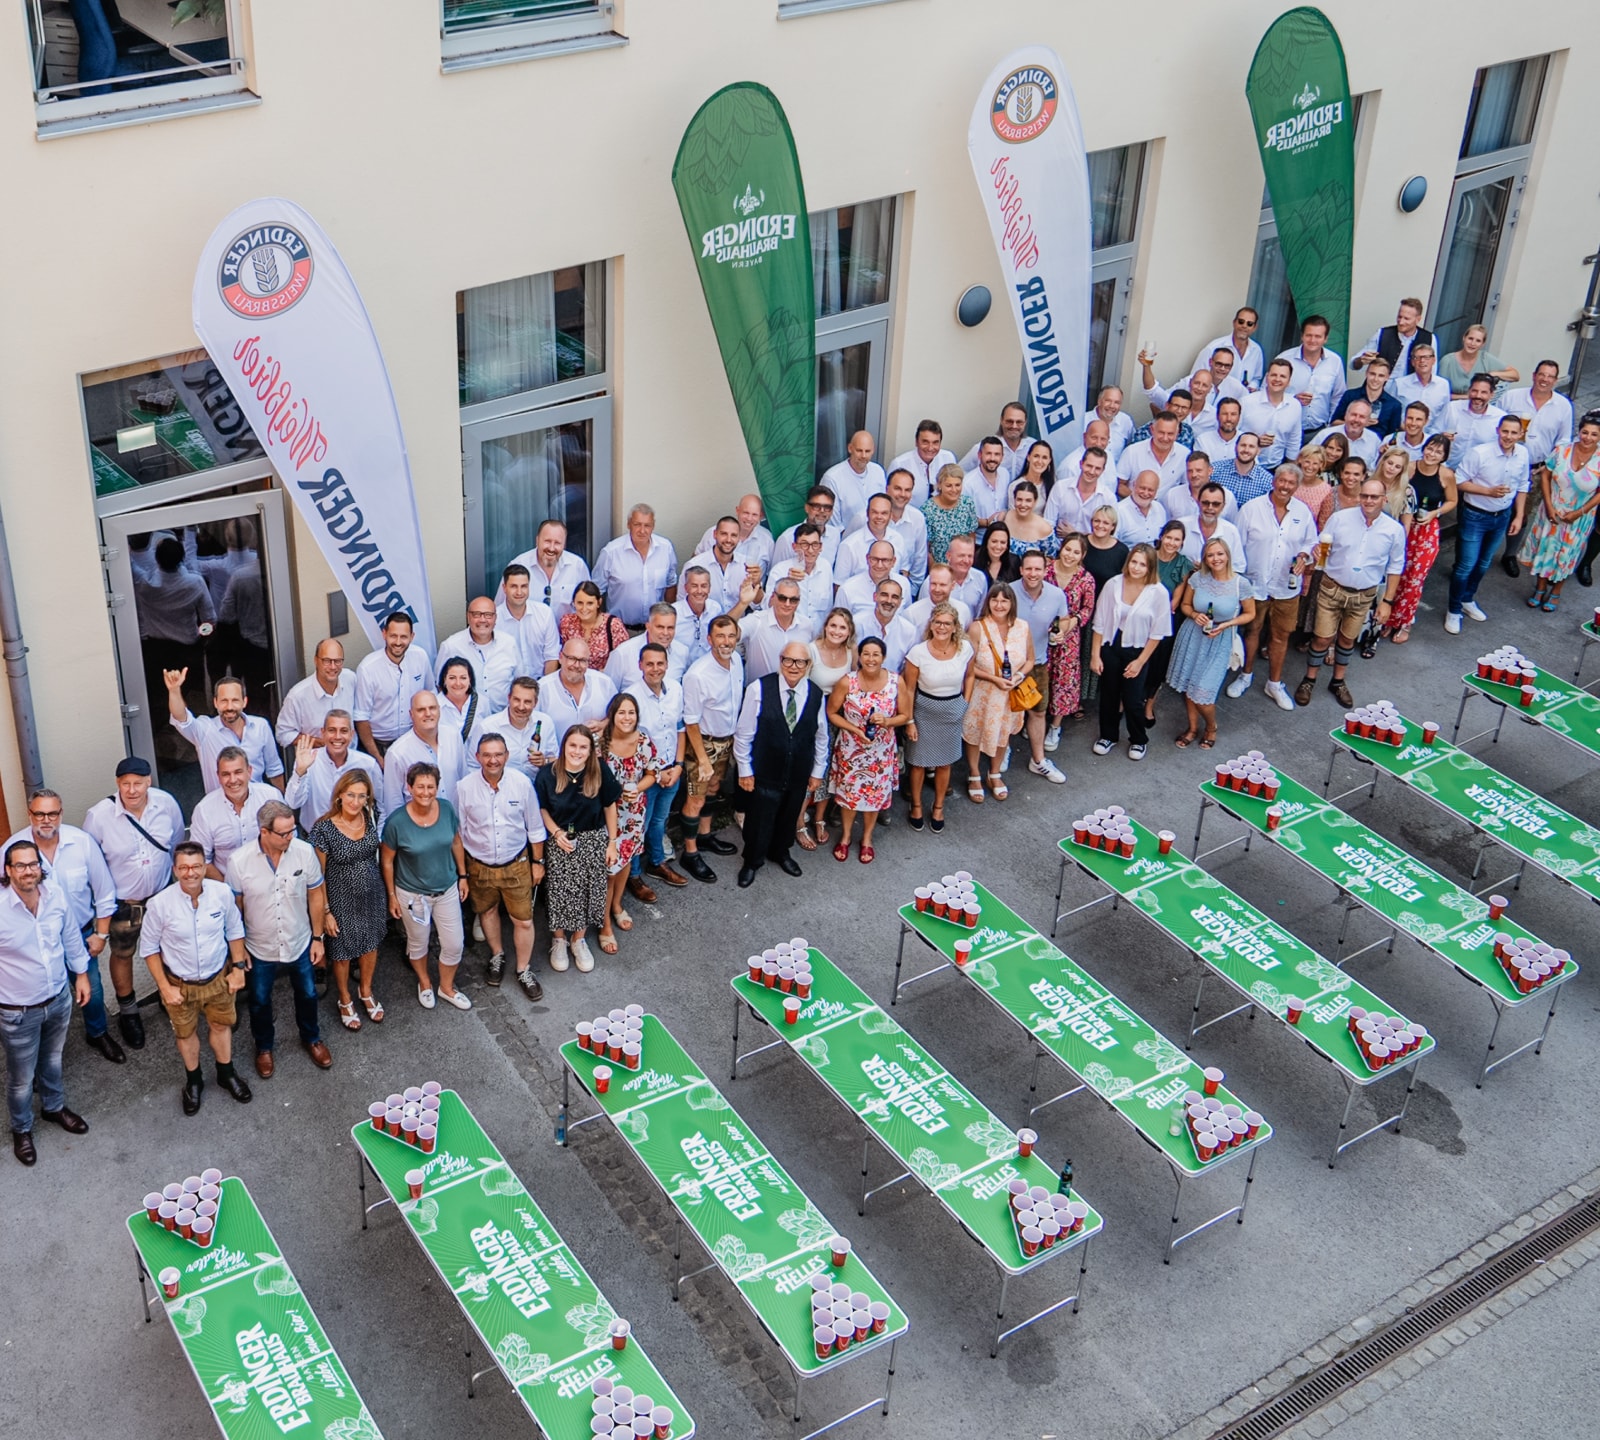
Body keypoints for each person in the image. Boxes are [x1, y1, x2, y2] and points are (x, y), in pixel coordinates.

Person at [6, 791, 119, 1065]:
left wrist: (101, 935)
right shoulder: (12, 849)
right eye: (39, 814)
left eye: (52, 813)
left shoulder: (82, 843)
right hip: (34, 939)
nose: (46, 820)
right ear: (29, 814)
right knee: (39, 1001)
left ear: (61, 813)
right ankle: (40, 1055)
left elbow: (104, 891)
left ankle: (98, 1032)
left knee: (92, 989)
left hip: (80, 934)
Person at [139, 841, 250, 1115]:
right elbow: (149, 949)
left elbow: (234, 930)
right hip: (180, 986)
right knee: (186, 1034)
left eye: (197, 866)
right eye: (184, 867)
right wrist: (164, 989)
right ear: (175, 870)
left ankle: (226, 1073)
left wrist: (237, 968)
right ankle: (194, 1081)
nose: (191, 873)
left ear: (204, 867)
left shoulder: (221, 893)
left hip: (218, 979)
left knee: (221, 1025)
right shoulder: (159, 904)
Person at [82, 756, 185, 1050]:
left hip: (161, 897)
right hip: (123, 904)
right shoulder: (99, 816)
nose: (132, 790)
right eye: (125, 784)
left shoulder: (166, 804)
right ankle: (129, 1011)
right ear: (117, 785)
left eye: (137, 783)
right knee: (123, 954)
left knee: (168, 948)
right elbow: (91, 863)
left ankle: (170, 998)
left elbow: (176, 842)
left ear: (148, 782)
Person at [224, 800, 331, 1078]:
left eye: (292, 831)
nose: (289, 838)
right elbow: (234, 910)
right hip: (259, 946)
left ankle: (311, 1038)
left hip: (299, 939)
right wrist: (239, 950)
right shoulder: (239, 861)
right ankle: (264, 1048)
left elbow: (316, 894)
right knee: (259, 1000)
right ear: (264, 832)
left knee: (307, 993)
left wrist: (318, 938)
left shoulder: (304, 852)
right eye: (283, 833)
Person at [0, 839, 91, 1165]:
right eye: (20, 865)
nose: (28, 871)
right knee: (22, 1077)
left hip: (58, 999)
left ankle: (54, 1108)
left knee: (52, 1061)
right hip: (17, 1011)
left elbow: (70, 938)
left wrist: (81, 975)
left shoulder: (54, 896)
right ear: (8, 870)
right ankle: (22, 1129)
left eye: (32, 863)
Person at [1295, 477, 1407, 707]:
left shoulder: (1394, 530)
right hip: (1332, 587)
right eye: (1364, 496)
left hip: (1364, 594)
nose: (1368, 500)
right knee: (1322, 637)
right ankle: (1309, 679)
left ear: (1384, 500)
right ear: (1359, 497)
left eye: (1374, 497)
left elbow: (1395, 567)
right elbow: (1321, 545)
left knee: (1347, 639)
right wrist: (1316, 552)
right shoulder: (1340, 519)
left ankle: (1338, 681)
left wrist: (1387, 602)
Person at [732, 642, 828, 886]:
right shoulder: (759, 689)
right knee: (759, 818)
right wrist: (745, 770)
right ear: (780, 660)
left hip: (798, 770)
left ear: (808, 665)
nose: (793, 666)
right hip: (765, 769)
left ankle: (780, 852)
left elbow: (821, 736)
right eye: (788, 660)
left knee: (788, 815)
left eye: (800, 662)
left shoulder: (815, 694)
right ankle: (752, 861)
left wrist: (818, 772)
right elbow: (743, 735)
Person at [456, 732, 545, 996]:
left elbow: (535, 827)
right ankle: (497, 955)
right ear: (477, 757)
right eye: (487, 755)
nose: (492, 760)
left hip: (516, 863)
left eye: (498, 754)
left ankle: (523, 969)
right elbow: (458, 834)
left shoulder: (522, 783)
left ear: (506, 756)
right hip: (479, 866)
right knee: (487, 912)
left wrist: (538, 861)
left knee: (524, 921)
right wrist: (463, 874)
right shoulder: (464, 787)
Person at [381, 762, 470, 1007]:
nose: (425, 792)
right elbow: (387, 860)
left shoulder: (447, 809)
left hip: (447, 888)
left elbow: (455, 842)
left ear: (437, 787)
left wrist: (463, 876)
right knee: (418, 942)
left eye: (431, 786)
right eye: (420, 786)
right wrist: (391, 895)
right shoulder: (396, 822)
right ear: (409, 788)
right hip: (412, 894)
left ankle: (447, 987)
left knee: (454, 943)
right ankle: (425, 982)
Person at [1229, 466, 1318, 707]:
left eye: (1291, 482)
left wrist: (1303, 556)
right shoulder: (1251, 509)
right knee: (1252, 631)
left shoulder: (1303, 512)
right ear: (1274, 481)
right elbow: (1237, 547)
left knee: (1281, 636)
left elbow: (1311, 542)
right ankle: (1245, 675)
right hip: (1254, 584)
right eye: (1282, 480)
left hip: (1286, 587)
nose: (1285, 486)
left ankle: (1274, 684)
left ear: (1296, 486)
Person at [535, 728, 621, 974]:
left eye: (583, 747)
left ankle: (578, 939)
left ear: (590, 750)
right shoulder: (547, 774)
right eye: (572, 745)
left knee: (589, 889)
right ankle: (559, 939)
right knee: (560, 892)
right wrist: (556, 833)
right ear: (564, 746)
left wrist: (612, 842)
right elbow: (541, 809)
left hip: (592, 837)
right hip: (560, 838)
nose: (577, 752)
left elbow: (609, 806)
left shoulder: (599, 770)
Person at [309, 771, 389, 1029]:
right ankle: (344, 998)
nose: (355, 801)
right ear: (340, 795)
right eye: (351, 795)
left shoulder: (370, 816)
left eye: (361, 796)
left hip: (372, 896)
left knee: (370, 946)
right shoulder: (323, 829)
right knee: (342, 953)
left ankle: (365, 991)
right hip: (339, 902)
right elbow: (317, 877)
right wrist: (326, 913)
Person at [1445, 416, 1531, 632]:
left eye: (1514, 433)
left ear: (1521, 434)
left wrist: (1519, 516)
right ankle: (1453, 610)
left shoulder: (1523, 453)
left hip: (1502, 515)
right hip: (1475, 515)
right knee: (1466, 566)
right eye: (1505, 431)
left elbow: (1522, 486)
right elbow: (1458, 481)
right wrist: (1488, 491)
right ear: (1498, 430)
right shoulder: (1480, 453)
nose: (1508, 437)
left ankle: (1467, 599)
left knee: (1483, 564)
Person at [1168, 539, 1255, 748]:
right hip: (1193, 635)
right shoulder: (1198, 578)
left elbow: (1250, 614)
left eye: (1219, 554)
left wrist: (1227, 624)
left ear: (1227, 555)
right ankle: (1191, 728)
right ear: (1205, 558)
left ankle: (1211, 726)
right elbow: (1185, 605)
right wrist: (1195, 614)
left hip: (1220, 639)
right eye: (1210, 555)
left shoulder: (1239, 583)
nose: (1215, 559)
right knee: (1190, 684)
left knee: (1202, 692)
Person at [827, 637, 908, 861]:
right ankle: (845, 837)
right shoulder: (847, 682)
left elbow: (906, 715)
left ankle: (867, 838)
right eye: (866, 654)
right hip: (852, 749)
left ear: (883, 657)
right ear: (859, 657)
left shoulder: (895, 682)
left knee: (873, 797)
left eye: (876, 654)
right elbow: (832, 712)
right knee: (850, 796)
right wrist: (853, 729)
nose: (871, 659)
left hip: (880, 752)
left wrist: (888, 722)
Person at [677, 615, 744, 882]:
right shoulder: (697, 674)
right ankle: (690, 853)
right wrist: (703, 760)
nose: (726, 642)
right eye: (720, 636)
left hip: (726, 740)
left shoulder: (737, 661)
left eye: (730, 636)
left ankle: (705, 837)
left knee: (714, 790)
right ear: (709, 639)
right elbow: (690, 720)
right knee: (695, 798)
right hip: (703, 743)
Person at [1090, 545, 1171, 761]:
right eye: (1134, 562)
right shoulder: (1113, 584)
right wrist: (1095, 655)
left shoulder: (1158, 592)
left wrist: (1140, 662)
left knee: (1134, 699)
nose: (1136, 567)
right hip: (1112, 644)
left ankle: (1138, 739)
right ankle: (1108, 736)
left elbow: (1158, 632)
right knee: (1109, 694)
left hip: (1138, 649)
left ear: (1150, 567)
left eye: (1142, 564)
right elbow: (1099, 621)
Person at [901, 604, 975, 834]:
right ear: (931, 624)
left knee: (945, 762)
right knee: (918, 764)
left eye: (947, 623)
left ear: (955, 627)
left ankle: (938, 807)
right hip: (924, 710)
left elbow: (970, 675)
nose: (942, 627)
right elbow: (909, 690)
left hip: (952, 708)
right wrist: (910, 720)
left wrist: (965, 702)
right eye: (937, 622)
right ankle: (916, 806)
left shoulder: (965, 649)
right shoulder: (918, 653)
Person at [1499, 361, 1574, 577]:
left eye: (1550, 376)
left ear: (1555, 380)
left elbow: (1564, 441)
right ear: (1533, 375)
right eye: (1541, 374)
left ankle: (1510, 554)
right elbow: (1496, 423)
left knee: (1522, 512)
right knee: (1497, 507)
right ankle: (1482, 551)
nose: (1545, 379)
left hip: (1536, 468)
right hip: (1506, 461)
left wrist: (1547, 467)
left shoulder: (1563, 406)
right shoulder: (1513, 397)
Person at [596, 694, 657, 949]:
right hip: (606, 816)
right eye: (621, 712)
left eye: (631, 712)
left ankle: (617, 904)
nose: (627, 717)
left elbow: (653, 774)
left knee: (625, 864)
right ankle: (604, 922)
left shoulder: (643, 742)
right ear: (612, 715)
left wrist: (638, 788)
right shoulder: (598, 743)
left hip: (633, 814)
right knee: (609, 870)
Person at [626, 644, 687, 894]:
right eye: (649, 664)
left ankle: (656, 862)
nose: (655, 669)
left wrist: (679, 766)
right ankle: (633, 875)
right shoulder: (631, 697)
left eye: (660, 663)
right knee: (639, 825)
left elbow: (680, 729)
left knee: (659, 822)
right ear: (640, 665)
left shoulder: (675, 689)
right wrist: (655, 772)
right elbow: (629, 742)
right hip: (645, 776)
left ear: (667, 665)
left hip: (672, 771)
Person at [1524, 413, 1600, 610]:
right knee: (1545, 548)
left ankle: (1556, 591)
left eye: (1594, 434)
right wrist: (1549, 506)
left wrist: (1579, 512)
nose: (1588, 438)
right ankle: (1540, 588)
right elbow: (1547, 475)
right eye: (1585, 432)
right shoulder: (1562, 450)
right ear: (1579, 432)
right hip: (1552, 508)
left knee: (1567, 554)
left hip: (1580, 516)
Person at [1386, 435, 1458, 642]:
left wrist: (1436, 513)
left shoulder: (1446, 475)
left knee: (1414, 580)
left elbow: (1452, 500)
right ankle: (1389, 619)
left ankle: (1404, 622)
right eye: (1430, 449)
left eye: (1438, 452)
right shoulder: (1409, 468)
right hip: (1402, 526)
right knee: (1396, 573)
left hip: (1426, 532)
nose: (1432, 454)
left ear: (1444, 456)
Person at [166, 670, 284, 794]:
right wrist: (174, 690)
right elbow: (181, 717)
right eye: (224, 701)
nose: (229, 707)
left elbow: (274, 770)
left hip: (258, 805)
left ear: (244, 702)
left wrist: (282, 802)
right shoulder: (205, 729)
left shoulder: (261, 726)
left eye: (235, 700)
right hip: (221, 808)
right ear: (215, 702)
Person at [963, 583, 1030, 799]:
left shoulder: (1022, 627)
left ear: (1012, 603)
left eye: (1004, 600)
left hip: (1010, 692)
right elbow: (967, 664)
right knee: (975, 733)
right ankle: (974, 774)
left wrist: (1018, 677)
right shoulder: (977, 627)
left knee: (1004, 733)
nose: (999, 605)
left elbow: (1030, 659)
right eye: (995, 600)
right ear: (988, 602)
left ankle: (994, 772)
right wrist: (994, 678)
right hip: (983, 691)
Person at [1011, 551, 1070, 783]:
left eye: (1038, 569)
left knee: (1038, 712)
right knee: (1007, 713)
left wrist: (1060, 632)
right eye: (1028, 569)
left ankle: (1038, 761)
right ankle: (1001, 753)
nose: (1033, 573)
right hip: (1010, 665)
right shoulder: (1008, 591)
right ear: (1021, 570)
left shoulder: (1056, 595)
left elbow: (1062, 620)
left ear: (1046, 570)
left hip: (1038, 663)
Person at [803, 608, 855, 851]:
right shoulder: (812, 650)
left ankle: (820, 818)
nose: (837, 631)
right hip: (813, 716)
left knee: (829, 770)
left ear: (849, 632)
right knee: (809, 771)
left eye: (842, 627)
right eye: (833, 626)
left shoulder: (850, 653)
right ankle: (798, 821)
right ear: (825, 627)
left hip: (839, 717)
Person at [285, 710, 383, 833]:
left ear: (351, 734)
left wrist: (377, 837)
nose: (337, 736)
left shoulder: (368, 764)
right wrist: (300, 772)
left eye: (343, 731)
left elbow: (381, 807)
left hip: (354, 842)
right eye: (332, 730)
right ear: (323, 733)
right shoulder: (308, 759)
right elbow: (293, 803)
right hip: (314, 840)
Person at [353, 612, 433, 759]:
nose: (398, 642)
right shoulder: (367, 669)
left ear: (412, 637)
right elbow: (361, 718)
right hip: (379, 744)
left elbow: (431, 694)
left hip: (414, 740)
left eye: (403, 637)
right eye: (393, 636)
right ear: (384, 634)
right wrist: (378, 759)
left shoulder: (421, 657)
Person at [192, 749, 279, 881]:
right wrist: (229, 891)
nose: (233, 780)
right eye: (226, 774)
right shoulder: (204, 810)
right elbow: (201, 859)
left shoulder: (271, 797)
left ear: (249, 772)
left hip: (272, 882)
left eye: (238, 772)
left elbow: (287, 841)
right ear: (218, 776)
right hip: (226, 886)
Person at [1043, 535, 1096, 743]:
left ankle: (1055, 726)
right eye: (1067, 549)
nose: (1070, 555)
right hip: (1042, 631)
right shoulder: (1046, 571)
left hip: (1069, 635)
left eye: (1076, 552)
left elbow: (1088, 608)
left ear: (1082, 555)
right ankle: (1035, 718)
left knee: (1064, 680)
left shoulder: (1085, 578)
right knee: (1040, 675)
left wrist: (1073, 622)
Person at [383, 690, 468, 817]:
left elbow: (463, 781)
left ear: (439, 710)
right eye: (421, 710)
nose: (428, 714)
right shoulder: (397, 753)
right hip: (419, 828)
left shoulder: (453, 736)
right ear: (411, 714)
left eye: (432, 708)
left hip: (455, 822)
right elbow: (393, 804)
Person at [1143, 521, 1195, 728]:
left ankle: (1149, 704)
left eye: (1177, 539)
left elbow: (1176, 600)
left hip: (1165, 620)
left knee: (1158, 664)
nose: (1172, 543)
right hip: (1140, 616)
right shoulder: (1148, 556)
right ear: (1162, 536)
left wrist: (1158, 618)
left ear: (1182, 543)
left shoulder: (1183, 564)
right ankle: (1123, 701)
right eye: (1169, 537)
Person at [592, 503, 679, 626]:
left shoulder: (666, 549)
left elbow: (671, 585)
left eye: (647, 525)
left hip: (655, 630)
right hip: (620, 629)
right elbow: (596, 592)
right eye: (637, 524)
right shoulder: (611, 552)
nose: (642, 531)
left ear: (653, 526)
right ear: (629, 524)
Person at [436, 598, 520, 714]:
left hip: (503, 721)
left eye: (488, 615)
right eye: (476, 614)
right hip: (466, 723)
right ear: (468, 617)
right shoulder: (451, 646)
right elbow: (440, 686)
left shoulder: (509, 644)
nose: (482, 620)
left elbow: (519, 681)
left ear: (495, 618)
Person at [470, 676, 557, 782]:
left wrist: (544, 761)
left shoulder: (545, 722)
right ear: (509, 698)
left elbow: (555, 760)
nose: (521, 707)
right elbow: (473, 767)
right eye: (517, 700)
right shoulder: (487, 727)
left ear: (535, 702)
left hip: (537, 789)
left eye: (527, 702)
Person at [275, 639, 357, 748]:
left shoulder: (350, 679)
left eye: (338, 661)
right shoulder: (297, 696)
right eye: (327, 661)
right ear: (316, 661)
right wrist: (320, 743)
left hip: (351, 758)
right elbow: (283, 734)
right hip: (316, 761)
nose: (333, 666)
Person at [504, 518, 590, 620]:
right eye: (547, 541)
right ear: (537, 540)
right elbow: (501, 608)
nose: (551, 548)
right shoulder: (518, 565)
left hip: (568, 635)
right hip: (528, 635)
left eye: (557, 543)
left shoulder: (577, 566)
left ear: (564, 545)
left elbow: (590, 604)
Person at [538, 638, 617, 746]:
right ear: (560, 658)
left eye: (582, 660)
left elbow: (619, 713)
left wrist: (603, 724)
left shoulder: (604, 683)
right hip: (557, 758)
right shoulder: (542, 688)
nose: (576, 665)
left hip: (597, 757)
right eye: (572, 658)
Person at [1277, 314, 1347, 437]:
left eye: (1318, 336)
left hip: (1319, 432)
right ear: (1302, 336)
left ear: (1325, 339)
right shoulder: (1284, 359)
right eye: (1309, 335)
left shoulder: (1335, 361)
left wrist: (1331, 425)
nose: (1312, 340)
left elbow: (1338, 396)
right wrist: (1293, 398)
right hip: (1286, 431)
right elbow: (1267, 391)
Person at [740, 576, 814, 679]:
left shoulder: (806, 625)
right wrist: (743, 604)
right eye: (782, 598)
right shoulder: (757, 621)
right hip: (759, 692)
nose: (787, 604)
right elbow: (729, 631)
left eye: (793, 600)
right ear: (773, 597)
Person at [497, 563, 561, 679]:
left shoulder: (544, 613)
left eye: (524, 586)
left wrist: (543, 688)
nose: (519, 592)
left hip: (540, 683)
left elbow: (551, 656)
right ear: (504, 588)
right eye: (514, 586)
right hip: (507, 686)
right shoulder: (495, 620)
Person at [1239, 358, 1303, 468]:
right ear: (1267, 377)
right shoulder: (1246, 402)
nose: (1277, 379)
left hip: (1277, 466)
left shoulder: (1294, 405)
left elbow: (1294, 440)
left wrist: (1290, 467)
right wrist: (1255, 441)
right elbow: (1233, 434)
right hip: (1246, 465)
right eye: (1274, 375)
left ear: (1289, 381)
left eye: (1283, 376)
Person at [820, 431, 887, 535]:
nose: (863, 455)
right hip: (846, 541)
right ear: (850, 448)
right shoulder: (832, 478)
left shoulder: (878, 471)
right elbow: (832, 524)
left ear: (873, 450)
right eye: (859, 450)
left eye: (867, 451)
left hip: (877, 538)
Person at [771, 523, 835, 631]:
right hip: (790, 636)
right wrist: (787, 583)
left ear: (821, 547)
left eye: (815, 545)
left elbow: (828, 609)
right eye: (804, 544)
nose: (810, 550)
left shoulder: (826, 567)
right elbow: (768, 607)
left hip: (817, 639)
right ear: (794, 547)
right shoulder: (780, 571)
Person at [607, 604, 688, 688]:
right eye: (660, 627)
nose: (665, 633)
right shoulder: (622, 654)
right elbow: (608, 691)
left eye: (670, 628)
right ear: (648, 626)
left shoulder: (682, 652)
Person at [835, 494, 909, 586]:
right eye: (874, 512)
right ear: (867, 513)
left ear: (891, 515)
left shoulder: (898, 539)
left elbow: (903, 571)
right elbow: (839, 585)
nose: (879, 517)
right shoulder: (849, 545)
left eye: (884, 513)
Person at [559, 581, 631, 674]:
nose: (584, 608)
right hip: (573, 677)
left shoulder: (613, 625)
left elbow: (624, 659)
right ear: (573, 603)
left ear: (598, 603)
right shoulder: (567, 623)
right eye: (580, 603)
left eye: (590, 603)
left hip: (603, 680)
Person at [696, 493, 774, 579]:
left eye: (754, 514)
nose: (749, 518)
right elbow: (695, 562)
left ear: (761, 516)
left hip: (752, 590)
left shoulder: (767, 540)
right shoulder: (714, 533)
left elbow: (770, 574)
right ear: (737, 510)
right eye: (746, 513)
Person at [1046, 445, 1115, 536]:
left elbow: (1110, 535)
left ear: (1103, 470)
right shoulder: (1060, 487)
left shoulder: (1108, 498)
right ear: (1081, 464)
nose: (1092, 472)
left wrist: (1075, 534)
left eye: (1097, 468)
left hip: (1091, 548)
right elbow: (1048, 523)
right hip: (1058, 545)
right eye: (1089, 466)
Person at [1116, 412, 1189, 498]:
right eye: (1161, 433)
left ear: (1177, 433)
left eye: (1170, 434)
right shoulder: (1132, 452)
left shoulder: (1185, 455)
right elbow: (1119, 485)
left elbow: (1187, 487)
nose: (1165, 438)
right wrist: (1139, 500)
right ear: (1152, 430)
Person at [1354, 297, 1433, 376]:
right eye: (1399, 317)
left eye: (1406, 319)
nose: (1401, 322)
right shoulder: (1383, 333)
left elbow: (1432, 371)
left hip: (1411, 387)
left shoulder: (1429, 338)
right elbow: (1354, 363)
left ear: (1418, 319)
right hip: (1380, 387)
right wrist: (1361, 360)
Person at [852, 577, 917, 671]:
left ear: (900, 602)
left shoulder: (909, 631)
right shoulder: (856, 623)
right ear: (875, 597)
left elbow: (907, 669)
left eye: (895, 597)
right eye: (884, 595)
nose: (889, 601)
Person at [1191, 308, 1265, 390]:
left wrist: (1252, 387)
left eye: (1249, 324)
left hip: (1243, 399)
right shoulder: (1213, 347)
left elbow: (1256, 378)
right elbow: (1195, 376)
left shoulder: (1256, 350)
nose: (1244, 326)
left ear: (1255, 327)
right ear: (1234, 323)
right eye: (1241, 321)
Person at [960, 402, 1036, 482]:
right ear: (1001, 421)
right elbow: (960, 471)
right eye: (1009, 421)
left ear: (1025, 422)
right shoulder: (984, 448)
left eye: (1019, 422)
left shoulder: (1033, 447)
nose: (1014, 426)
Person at [889, 420, 957, 506]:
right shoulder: (899, 464)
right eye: (925, 442)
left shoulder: (948, 458)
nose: (930, 448)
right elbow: (889, 498)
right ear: (916, 442)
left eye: (935, 443)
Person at [923, 463, 981, 564]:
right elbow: (926, 548)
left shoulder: (967, 504)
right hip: (939, 567)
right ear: (940, 485)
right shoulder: (928, 509)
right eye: (949, 485)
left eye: (957, 485)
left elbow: (971, 537)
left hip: (963, 564)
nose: (954, 490)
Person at [1440, 323, 1519, 396]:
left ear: (1483, 344)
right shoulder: (1448, 361)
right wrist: (1467, 397)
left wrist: (1492, 374)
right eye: (1470, 338)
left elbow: (1515, 375)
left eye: (1478, 341)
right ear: (1464, 338)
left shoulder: (1485, 358)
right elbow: (1441, 394)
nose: (1473, 343)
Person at [773, 487, 843, 568]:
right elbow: (776, 574)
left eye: (827, 507)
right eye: (817, 506)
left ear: (832, 511)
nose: (822, 511)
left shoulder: (835, 535)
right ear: (807, 508)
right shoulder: (787, 539)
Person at [836, 540, 906, 617]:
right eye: (875, 559)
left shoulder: (904, 584)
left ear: (893, 561)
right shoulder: (847, 589)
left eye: (885, 560)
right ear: (867, 559)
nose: (879, 565)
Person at [902, 564, 974, 636]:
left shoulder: (963, 610)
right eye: (933, 584)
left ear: (952, 586)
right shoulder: (911, 613)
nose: (937, 589)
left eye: (942, 585)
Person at [1441, 375, 1506, 454]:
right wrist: (1441, 437)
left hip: (1480, 465)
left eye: (1484, 392)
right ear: (1469, 391)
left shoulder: (1500, 418)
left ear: (1491, 395)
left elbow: (1501, 447)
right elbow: (1433, 431)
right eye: (1474, 391)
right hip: (1448, 464)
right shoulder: (1452, 408)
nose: (1478, 396)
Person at [671, 566, 717, 674]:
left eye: (704, 586)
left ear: (709, 588)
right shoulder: (673, 614)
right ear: (686, 588)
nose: (700, 591)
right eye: (694, 586)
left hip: (708, 671)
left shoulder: (715, 609)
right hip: (681, 671)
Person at [1313, 400, 1381, 471]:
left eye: (1362, 417)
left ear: (1368, 421)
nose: (1356, 420)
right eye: (1353, 415)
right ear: (1345, 415)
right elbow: (1307, 457)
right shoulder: (1325, 434)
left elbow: (1374, 469)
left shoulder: (1374, 440)